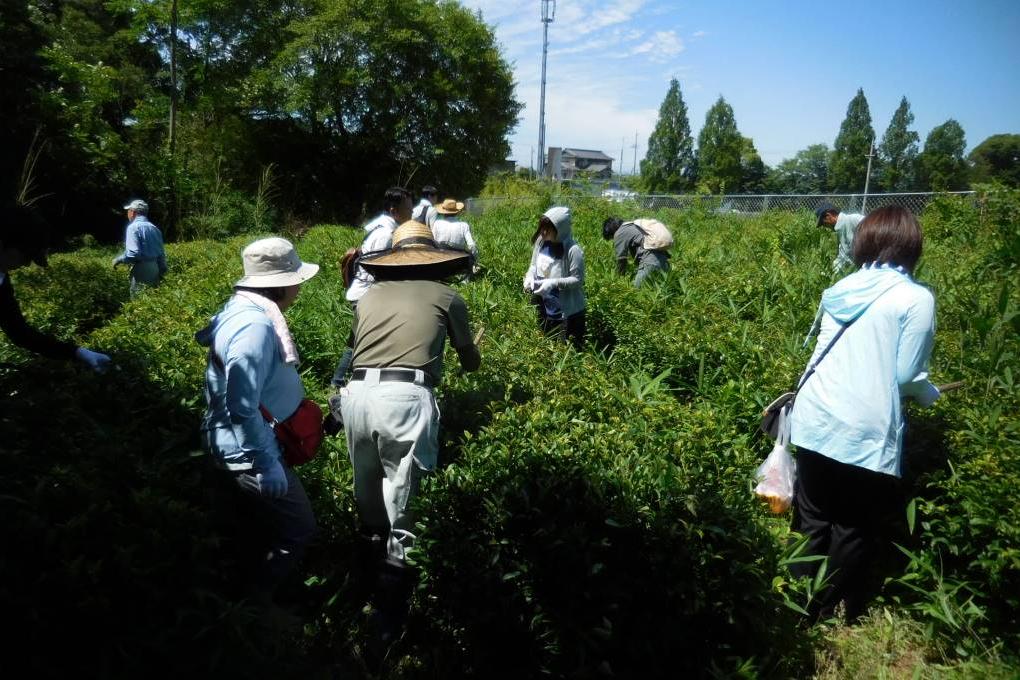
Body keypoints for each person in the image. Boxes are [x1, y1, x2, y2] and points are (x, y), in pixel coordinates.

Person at [788, 206, 939, 622]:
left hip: (815, 415)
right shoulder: (915, 298)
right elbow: (908, 375)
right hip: (863, 429)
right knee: (851, 525)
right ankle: (822, 610)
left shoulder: (843, 287)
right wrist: (931, 393)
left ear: (863, 241)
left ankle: (793, 603)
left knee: (813, 516)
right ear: (910, 246)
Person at [337, 219, 481, 643]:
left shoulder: (368, 296)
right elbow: (470, 362)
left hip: (356, 397)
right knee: (405, 505)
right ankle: (388, 621)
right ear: (434, 258)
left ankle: (354, 590)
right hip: (404, 398)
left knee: (368, 496)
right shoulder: (447, 296)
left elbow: (350, 350)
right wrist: (473, 351)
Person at [195, 237, 320, 604]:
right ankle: (255, 608)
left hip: (244, 444)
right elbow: (242, 403)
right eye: (296, 279)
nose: (299, 286)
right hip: (247, 451)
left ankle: (238, 594)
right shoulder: (255, 327)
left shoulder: (244, 311)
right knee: (298, 528)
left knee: (250, 526)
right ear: (279, 284)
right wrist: (266, 462)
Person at [1, 204, 111, 372]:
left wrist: (78, 353)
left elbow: (19, 332)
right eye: (26, 255)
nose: (26, 264)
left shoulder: (2, 280)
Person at [333, 187, 414, 387]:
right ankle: (346, 382)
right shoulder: (385, 234)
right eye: (409, 209)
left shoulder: (382, 229)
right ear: (395, 210)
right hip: (368, 295)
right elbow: (376, 270)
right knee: (366, 340)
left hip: (368, 294)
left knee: (357, 339)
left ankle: (339, 380)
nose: (412, 213)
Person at [522, 206, 586, 349]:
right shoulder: (540, 242)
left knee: (567, 350)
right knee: (547, 346)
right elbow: (533, 265)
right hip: (545, 306)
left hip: (566, 312)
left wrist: (553, 282)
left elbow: (578, 279)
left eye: (548, 229)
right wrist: (529, 276)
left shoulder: (572, 250)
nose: (543, 232)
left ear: (560, 229)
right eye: (542, 228)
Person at [112, 199, 168, 297]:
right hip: (155, 268)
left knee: (138, 302)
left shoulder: (133, 227)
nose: (127, 213)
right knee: (152, 301)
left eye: (128, 211)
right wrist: (162, 271)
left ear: (133, 212)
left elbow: (134, 253)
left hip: (141, 270)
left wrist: (118, 260)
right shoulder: (155, 228)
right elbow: (161, 254)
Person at [601, 216, 671, 287]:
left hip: (650, 260)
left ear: (611, 231)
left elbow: (621, 260)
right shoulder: (633, 226)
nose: (613, 239)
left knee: (635, 291)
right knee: (655, 288)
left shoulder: (620, 232)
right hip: (664, 262)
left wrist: (619, 280)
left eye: (611, 238)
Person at [815, 202, 864, 274]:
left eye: (823, 223)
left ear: (828, 216)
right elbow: (843, 256)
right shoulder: (840, 229)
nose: (825, 227)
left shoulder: (854, 219)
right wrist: (828, 273)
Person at [431, 198, 478, 264]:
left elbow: (432, 241)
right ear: (457, 212)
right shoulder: (464, 225)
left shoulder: (436, 223)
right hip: (458, 260)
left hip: (440, 259)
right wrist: (475, 259)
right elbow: (471, 245)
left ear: (443, 212)